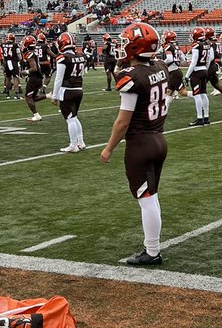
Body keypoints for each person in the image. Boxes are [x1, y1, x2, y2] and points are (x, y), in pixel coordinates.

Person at [100, 22, 168, 266]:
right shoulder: (161, 67)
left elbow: (122, 122)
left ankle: (152, 251)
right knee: (151, 196)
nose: (121, 47)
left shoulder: (131, 78)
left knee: (146, 198)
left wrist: (109, 147)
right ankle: (152, 247)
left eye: (125, 43)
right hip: (159, 138)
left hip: (140, 143)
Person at [50, 31, 86, 152]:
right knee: (74, 117)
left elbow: (58, 78)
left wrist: (54, 95)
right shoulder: (80, 56)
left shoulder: (63, 58)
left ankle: (73, 145)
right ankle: (81, 142)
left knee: (70, 118)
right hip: (79, 89)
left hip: (67, 91)